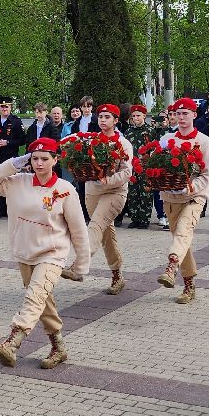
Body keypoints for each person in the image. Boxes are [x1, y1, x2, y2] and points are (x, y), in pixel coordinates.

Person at [0, 138, 92, 369]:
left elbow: (79, 229)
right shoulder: (17, 182)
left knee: (34, 297)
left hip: (52, 255)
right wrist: (13, 163)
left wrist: (81, 265)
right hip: (24, 253)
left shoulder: (64, 189)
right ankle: (58, 347)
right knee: (43, 301)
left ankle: (13, 341)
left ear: (56, 159)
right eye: (34, 158)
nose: (39, 163)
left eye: (44, 159)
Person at [156, 98, 209, 303]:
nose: (180, 117)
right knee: (183, 241)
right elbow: (156, 166)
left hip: (194, 198)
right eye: (177, 114)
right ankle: (189, 286)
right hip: (170, 197)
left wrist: (190, 187)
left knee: (183, 232)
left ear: (194, 115)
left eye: (185, 113)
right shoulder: (166, 140)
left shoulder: (204, 142)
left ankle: (171, 267)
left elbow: (206, 174)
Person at [68, 103, 133, 294]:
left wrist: (108, 180)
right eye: (101, 117)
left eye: (107, 117)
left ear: (116, 120)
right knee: (106, 235)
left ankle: (78, 266)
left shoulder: (123, 143)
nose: (103, 120)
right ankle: (117, 275)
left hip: (115, 193)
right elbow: (75, 156)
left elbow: (127, 171)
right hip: (92, 192)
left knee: (95, 225)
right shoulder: (90, 141)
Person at [119, 104, 161, 229]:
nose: (136, 118)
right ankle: (135, 218)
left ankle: (144, 219)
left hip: (145, 167)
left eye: (138, 115)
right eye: (133, 116)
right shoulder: (128, 131)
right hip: (132, 167)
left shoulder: (150, 131)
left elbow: (155, 149)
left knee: (145, 193)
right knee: (133, 193)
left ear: (144, 116)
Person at [0, 97, 24, 218]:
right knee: (0, 182)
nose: (4, 109)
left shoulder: (16, 121)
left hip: (11, 157)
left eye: (7, 107)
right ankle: (1, 209)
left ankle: (12, 209)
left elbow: (22, 140)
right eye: (2, 107)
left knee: (12, 183)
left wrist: (7, 142)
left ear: (10, 107)